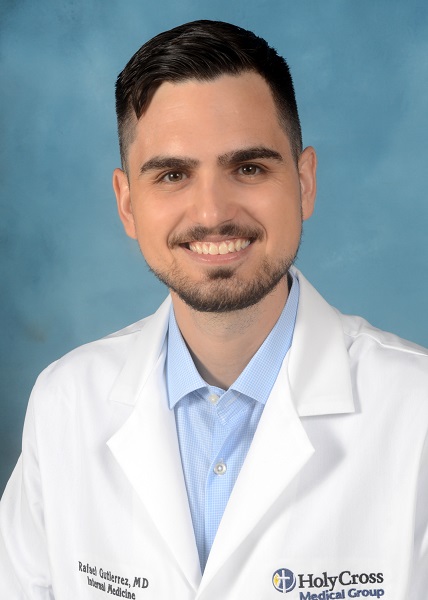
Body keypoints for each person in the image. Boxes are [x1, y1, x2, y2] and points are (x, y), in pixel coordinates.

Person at [0, 19, 427, 600]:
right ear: (127, 204)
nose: (212, 213)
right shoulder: (65, 405)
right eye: (173, 174)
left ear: (304, 182)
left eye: (248, 168)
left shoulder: (416, 414)